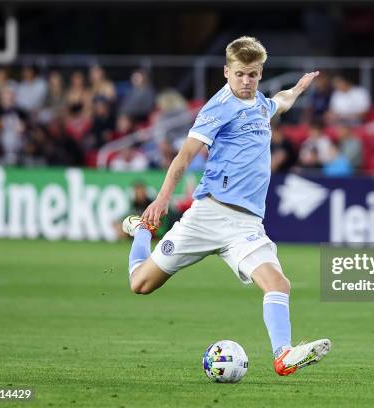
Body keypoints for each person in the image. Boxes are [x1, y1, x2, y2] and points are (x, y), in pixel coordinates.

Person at [121, 36, 330, 377]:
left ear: (260, 74)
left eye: (253, 74)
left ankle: (283, 355)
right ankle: (142, 231)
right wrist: (161, 199)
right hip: (208, 215)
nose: (246, 81)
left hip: (246, 226)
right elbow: (185, 155)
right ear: (226, 72)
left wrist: (299, 87)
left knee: (279, 284)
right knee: (140, 285)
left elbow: (282, 101)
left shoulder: (261, 103)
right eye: (240, 74)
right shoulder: (218, 108)